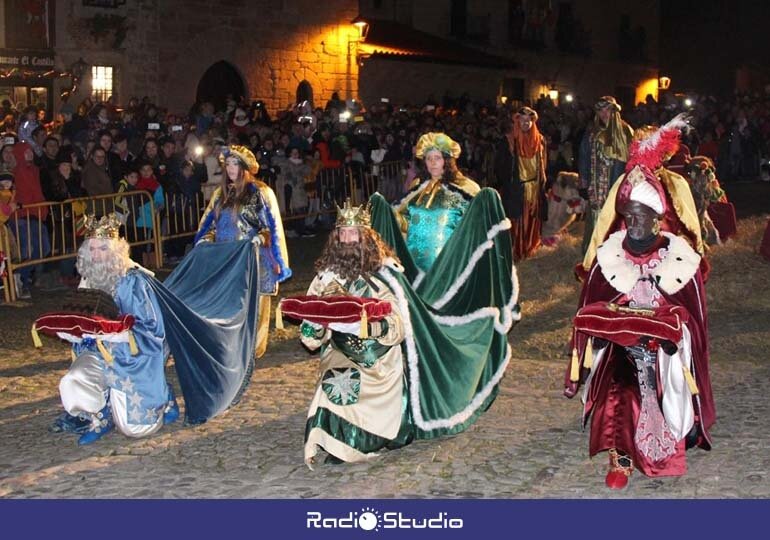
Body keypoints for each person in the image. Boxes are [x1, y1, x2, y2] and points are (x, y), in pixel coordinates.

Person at [564, 132, 715, 489]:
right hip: (620, 349)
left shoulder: (680, 260)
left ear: (657, 218)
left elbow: (693, 319)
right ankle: (622, 458)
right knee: (620, 387)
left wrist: (671, 335)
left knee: (664, 384)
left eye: (640, 217)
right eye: (627, 216)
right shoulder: (609, 259)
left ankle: (665, 450)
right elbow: (591, 308)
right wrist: (605, 329)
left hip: (666, 353)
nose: (632, 224)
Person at [301, 201, 411, 467]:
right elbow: (309, 336)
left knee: (358, 381)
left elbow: (399, 324)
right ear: (335, 237)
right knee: (339, 382)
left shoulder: (385, 274)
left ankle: (362, 438)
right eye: (343, 232)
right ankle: (339, 442)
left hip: (378, 356)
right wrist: (317, 325)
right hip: (340, 351)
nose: (348, 239)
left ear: (365, 236)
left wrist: (370, 328)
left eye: (354, 233)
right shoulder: (326, 278)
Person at [57, 214, 179, 444]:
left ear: (115, 251)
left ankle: (164, 395)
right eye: (92, 249)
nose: (97, 255)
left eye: (103, 248)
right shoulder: (88, 280)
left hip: (132, 358)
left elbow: (152, 329)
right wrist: (72, 331)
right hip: (97, 353)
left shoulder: (133, 281)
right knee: (72, 380)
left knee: (135, 430)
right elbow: (82, 320)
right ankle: (100, 416)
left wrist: (118, 334)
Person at [194, 145, 291, 358]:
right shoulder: (221, 194)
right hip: (226, 258)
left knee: (254, 305)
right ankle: (230, 347)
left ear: (244, 166)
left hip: (252, 257)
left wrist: (259, 238)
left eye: (235, 163)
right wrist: (205, 240)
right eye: (227, 164)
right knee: (228, 304)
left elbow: (271, 226)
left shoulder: (260, 192)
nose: (230, 168)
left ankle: (252, 350)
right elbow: (209, 225)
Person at [578, 96, 634, 254]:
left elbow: (632, 158)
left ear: (614, 111)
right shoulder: (592, 132)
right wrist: (583, 179)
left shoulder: (625, 131)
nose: (604, 113)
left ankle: (615, 252)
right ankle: (594, 251)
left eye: (607, 109)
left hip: (617, 182)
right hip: (596, 182)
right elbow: (583, 155)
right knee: (596, 213)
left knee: (615, 216)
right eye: (600, 110)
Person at [494, 108, 548, 261]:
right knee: (517, 222)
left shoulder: (540, 140)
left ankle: (532, 250)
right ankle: (516, 253)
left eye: (529, 120)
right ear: (516, 122)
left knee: (533, 221)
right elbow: (499, 166)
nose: (526, 123)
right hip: (517, 190)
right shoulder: (509, 141)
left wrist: (541, 183)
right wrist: (509, 184)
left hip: (535, 189)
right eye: (522, 120)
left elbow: (543, 164)